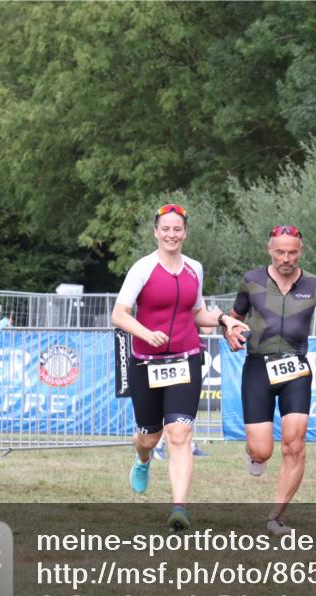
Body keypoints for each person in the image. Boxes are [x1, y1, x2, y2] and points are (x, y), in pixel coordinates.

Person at [111, 204, 247, 531]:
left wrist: (226, 320)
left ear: (185, 232)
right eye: (166, 229)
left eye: (177, 229)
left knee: (180, 433)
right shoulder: (142, 268)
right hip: (146, 362)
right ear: (156, 232)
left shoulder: (194, 269)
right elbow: (119, 314)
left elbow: (198, 313)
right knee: (149, 435)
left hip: (186, 358)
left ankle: (179, 507)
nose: (172, 235)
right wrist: (146, 334)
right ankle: (143, 460)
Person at [224, 224, 316, 535]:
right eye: (280, 252)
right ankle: (254, 454)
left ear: (301, 252)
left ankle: (276, 517)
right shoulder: (251, 281)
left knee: (295, 444)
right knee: (262, 451)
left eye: (292, 252)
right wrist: (229, 331)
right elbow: (233, 318)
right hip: (257, 367)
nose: (286, 258)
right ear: (270, 250)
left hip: (296, 368)